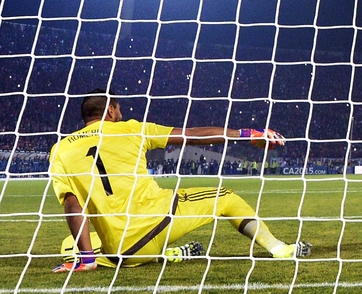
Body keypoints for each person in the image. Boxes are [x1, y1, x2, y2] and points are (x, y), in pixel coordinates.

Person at [49, 90, 311, 273]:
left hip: (123, 252)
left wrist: (87, 259)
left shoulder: (60, 149)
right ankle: (278, 248)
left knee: (67, 245)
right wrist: (243, 134)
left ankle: (151, 256)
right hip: (158, 220)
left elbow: (72, 205)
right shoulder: (130, 128)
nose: (121, 114)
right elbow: (192, 136)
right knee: (227, 197)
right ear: (109, 110)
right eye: (118, 110)